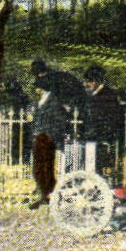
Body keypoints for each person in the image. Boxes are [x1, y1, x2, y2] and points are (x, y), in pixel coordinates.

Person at [30, 73, 73, 208]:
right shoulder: (39, 102)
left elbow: (59, 122)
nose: (35, 90)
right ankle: (43, 194)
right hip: (38, 138)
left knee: (47, 167)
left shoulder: (53, 102)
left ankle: (49, 194)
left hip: (47, 139)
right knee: (38, 168)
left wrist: (50, 136)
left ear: (41, 88)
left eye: (37, 87)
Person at [83, 64, 125, 169]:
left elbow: (112, 118)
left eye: (89, 82)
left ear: (95, 81)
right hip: (94, 137)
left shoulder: (108, 95)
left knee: (100, 165)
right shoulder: (96, 94)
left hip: (102, 138)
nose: (87, 84)